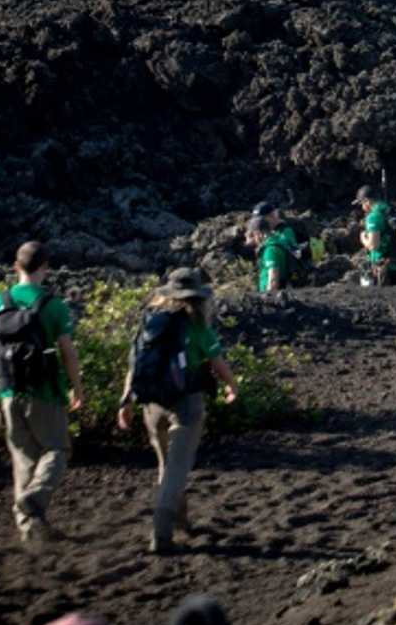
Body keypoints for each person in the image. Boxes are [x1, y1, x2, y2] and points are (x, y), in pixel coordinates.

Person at [117, 268, 237, 554]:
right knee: (177, 468)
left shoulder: (150, 323)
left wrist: (125, 401)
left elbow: (135, 365)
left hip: (152, 405)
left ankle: (181, 520)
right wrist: (232, 386)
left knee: (167, 465)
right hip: (186, 404)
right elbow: (217, 363)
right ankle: (161, 531)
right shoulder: (196, 326)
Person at [0, 239, 83, 552]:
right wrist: (76, 386)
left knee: (23, 459)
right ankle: (35, 498)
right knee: (57, 449)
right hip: (44, 392)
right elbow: (67, 351)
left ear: (15, 267)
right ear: (45, 268)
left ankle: (30, 531)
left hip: (9, 390)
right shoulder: (52, 304)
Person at [355, 185, 396, 287]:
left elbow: (374, 245)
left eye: (361, 203)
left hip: (387, 270)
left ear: (367, 201)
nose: (362, 208)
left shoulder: (374, 216)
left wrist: (363, 238)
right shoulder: (395, 211)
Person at [247, 213, 291, 298]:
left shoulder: (270, 250)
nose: (253, 240)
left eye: (253, 235)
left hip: (272, 298)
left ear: (258, 233)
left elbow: (273, 279)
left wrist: (268, 300)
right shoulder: (278, 241)